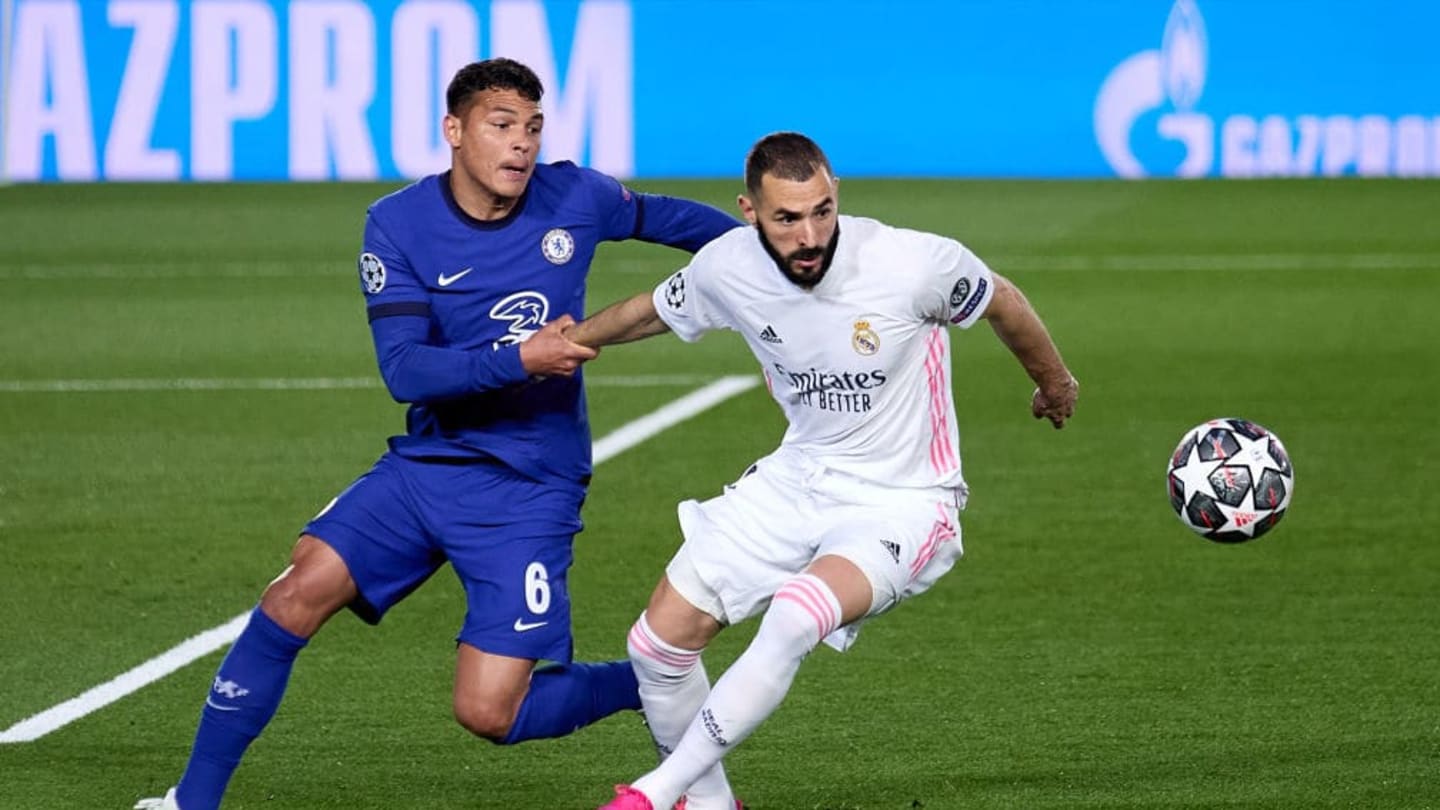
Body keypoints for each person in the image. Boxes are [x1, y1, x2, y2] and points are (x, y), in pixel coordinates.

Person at [134, 58, 739, 810]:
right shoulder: (398, 223)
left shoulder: (575, 195)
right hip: (430, 462)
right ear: (454, 131)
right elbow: (407, 372)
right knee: (296, 591)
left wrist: (764, 259)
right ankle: (189, 802)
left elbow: (676, 223)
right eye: (501, 126)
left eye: (532, 127)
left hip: (529, 484)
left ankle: (646, 680)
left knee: (490, 713)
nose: (521, 145)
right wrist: (523, 356)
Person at [566, 132, 1079, 810]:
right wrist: (570, 341)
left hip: (904, 500)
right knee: (656, 646)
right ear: (750, 212)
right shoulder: (728, 268)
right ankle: (713, 806)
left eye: (823, 211)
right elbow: (650, 312)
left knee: (794, 614)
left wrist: (1054, 382)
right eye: (787, 218)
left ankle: (656, 794)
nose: (810, 235)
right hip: (798, 477)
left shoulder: (907, 262)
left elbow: (1002, 299)